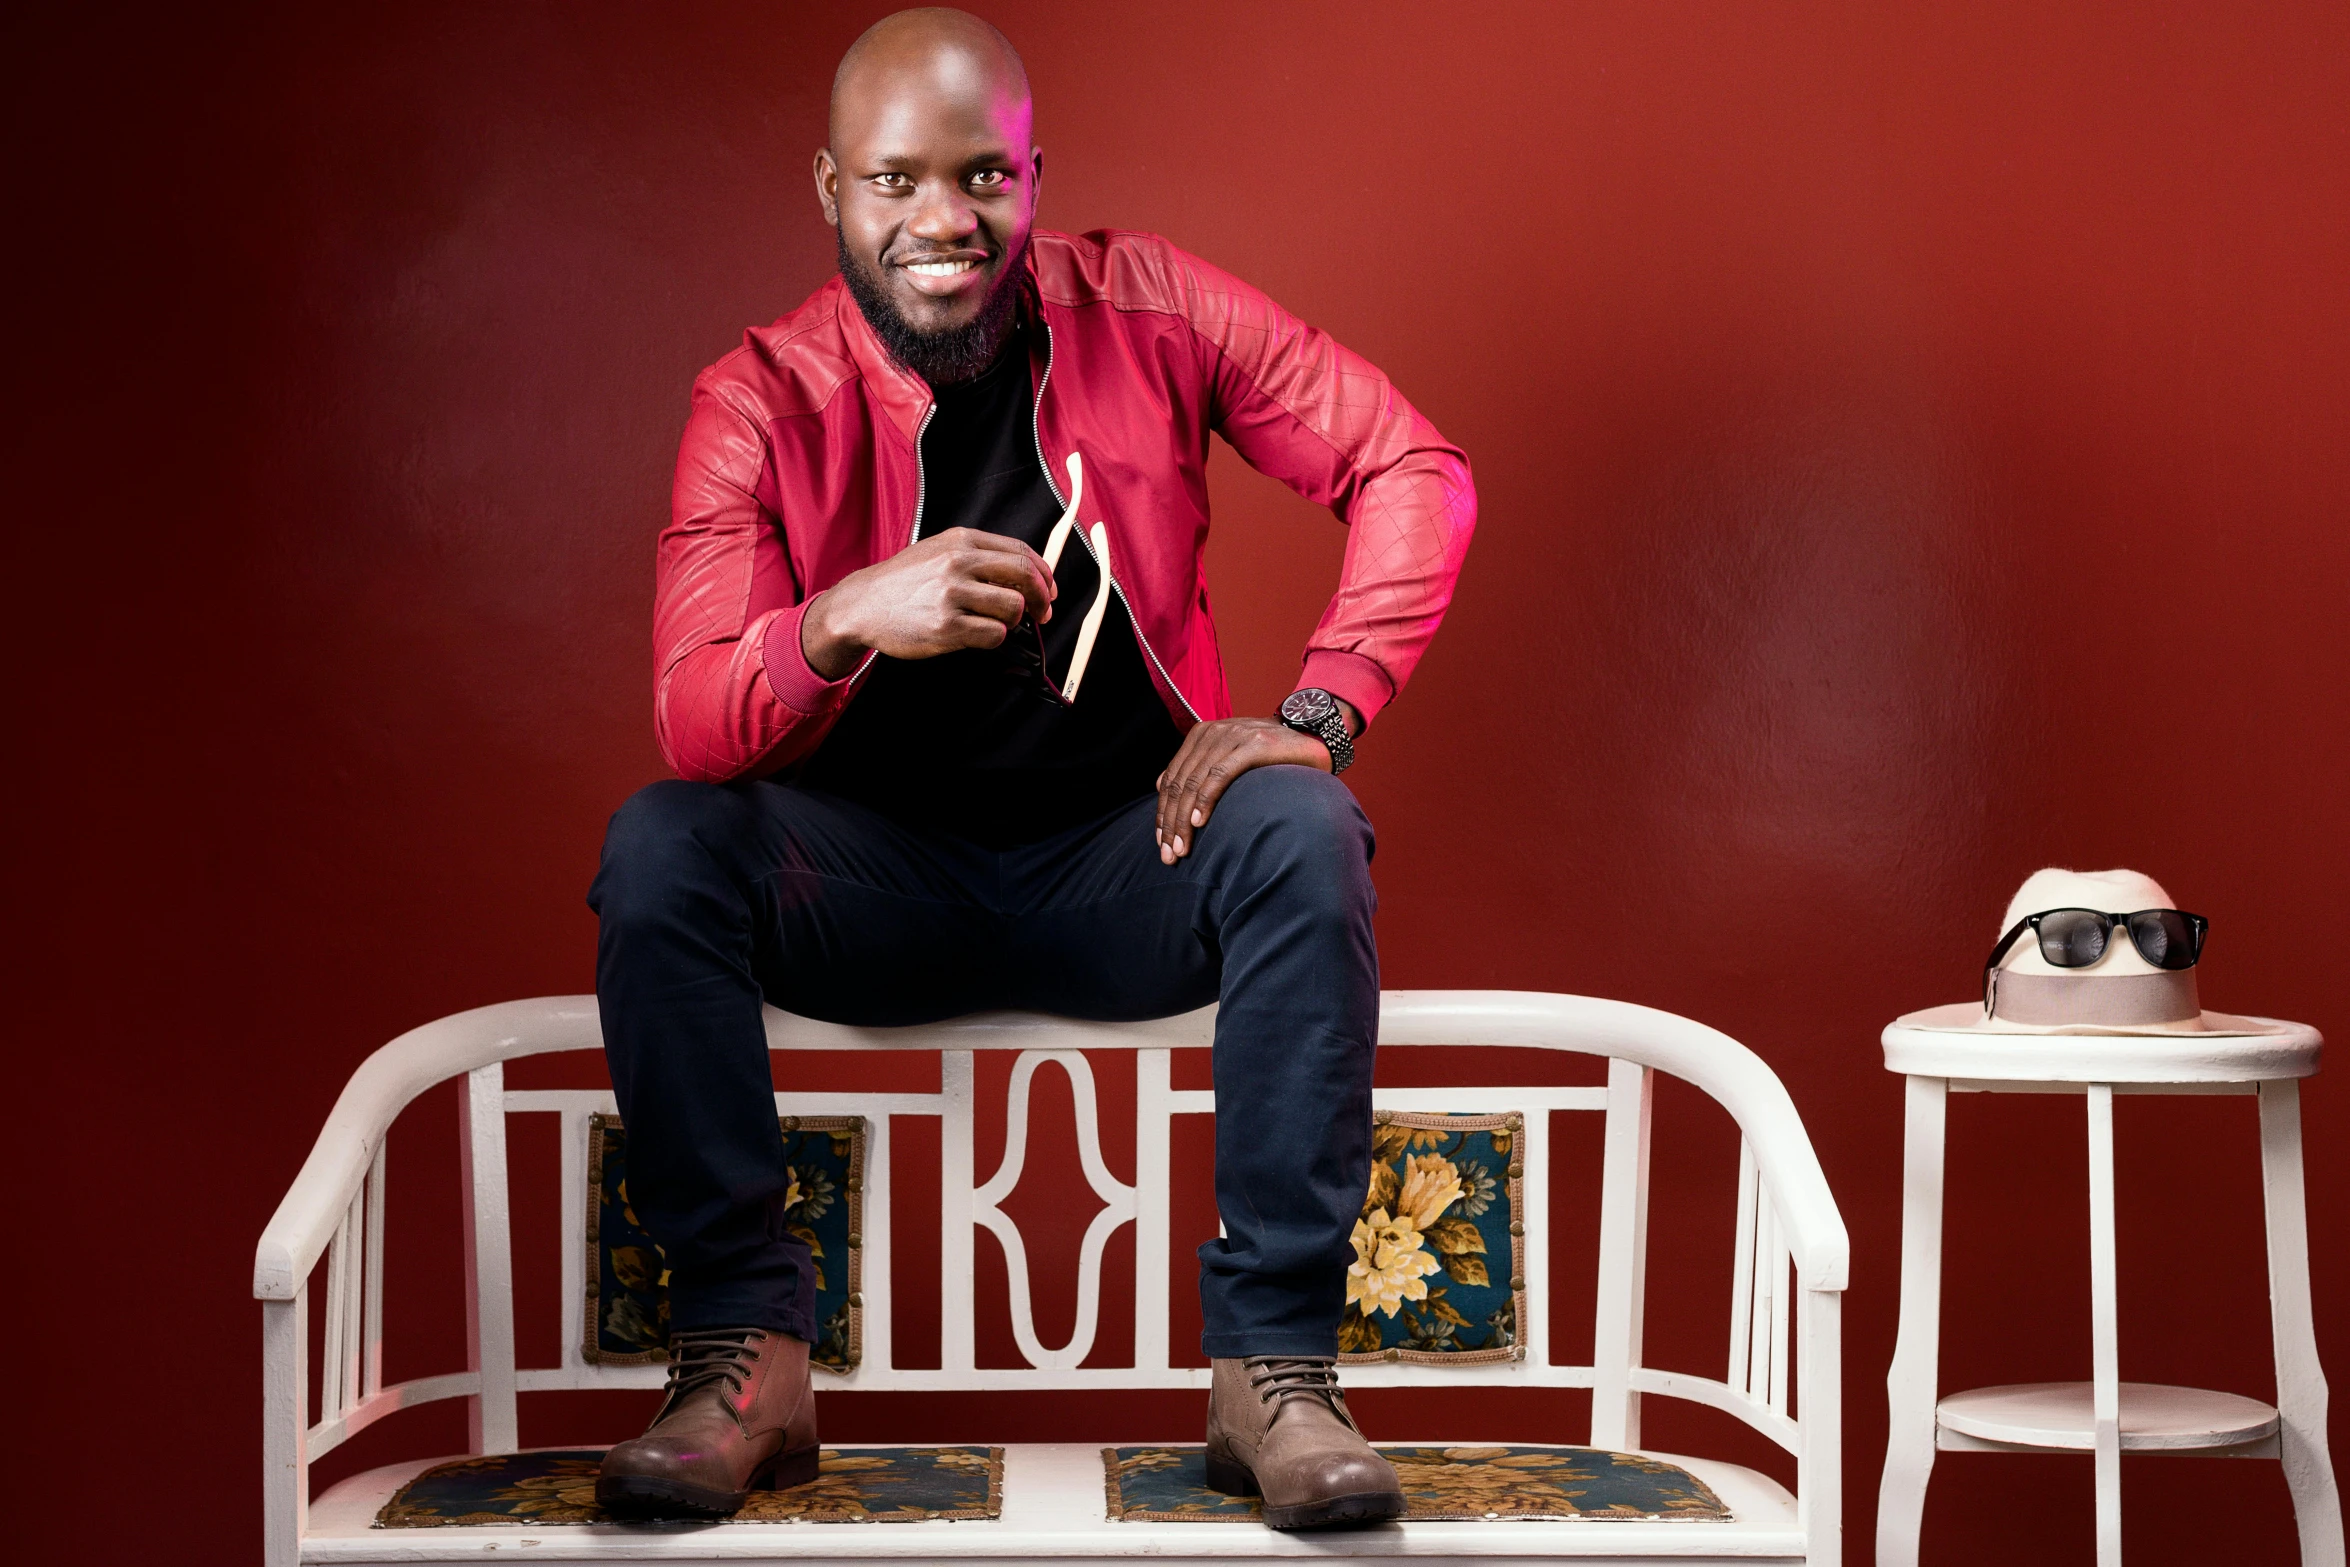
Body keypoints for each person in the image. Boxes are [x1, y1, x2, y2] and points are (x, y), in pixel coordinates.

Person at [587, 6, 1475, 1529]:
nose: (945, 222)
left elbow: (1409, 464)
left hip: (1132, 863)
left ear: (1033, 177)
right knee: (664, 844)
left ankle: (1272, 1369)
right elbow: (693, 712)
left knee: (1302, 824)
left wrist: (1319, 710)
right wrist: (848, 614)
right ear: (829, 190)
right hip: (866, 884)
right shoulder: (758, 396)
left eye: (983, 179)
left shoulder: (1154, 307)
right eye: (896, 182)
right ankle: (748, 1355)